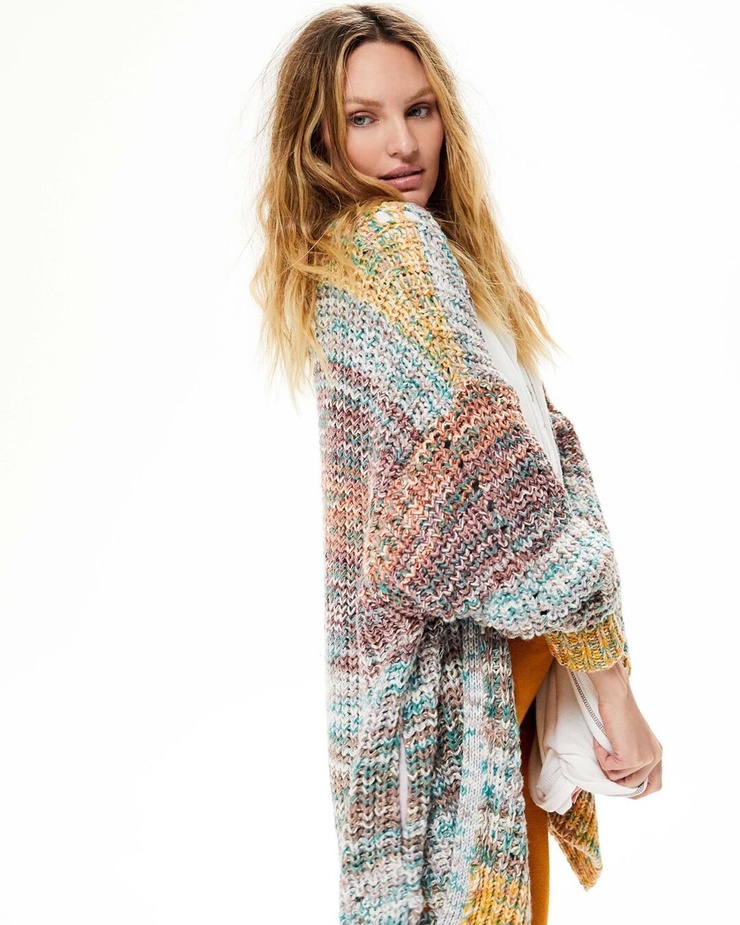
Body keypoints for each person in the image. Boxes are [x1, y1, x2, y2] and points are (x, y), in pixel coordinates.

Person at [250, 5, 662, 924]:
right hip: (469, 673)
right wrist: (615, 691)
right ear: (317, 138)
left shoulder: (386, 264)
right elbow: (502, 504)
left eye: (420, 109)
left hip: (460, 677)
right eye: (363, 118)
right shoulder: (391, 249)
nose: (402, 144)